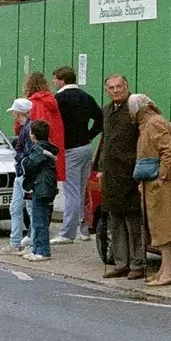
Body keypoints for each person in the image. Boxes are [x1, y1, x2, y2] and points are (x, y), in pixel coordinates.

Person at [129, 93, 171, 287]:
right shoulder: (148, 124)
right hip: (154, 183)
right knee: (157, 225)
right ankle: (165, 268)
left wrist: (161, 176)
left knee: (163, 226)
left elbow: (169, 151)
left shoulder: (154, 123)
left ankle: (169, 271)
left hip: (162, 185)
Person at [96, 74, 144, 279]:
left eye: (119, 87)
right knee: (114, 222)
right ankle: (121, 263)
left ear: (127, 86)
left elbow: (143, 139)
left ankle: (137, 264)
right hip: (111, 174)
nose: (115, 91)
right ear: (107, 90)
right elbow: (105, 140)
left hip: (131, 172)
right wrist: (100, 167)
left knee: (133, 222)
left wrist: (139, 166)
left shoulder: (135, 108)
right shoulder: (107, 111)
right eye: (111, 88)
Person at [52, 66, 103, 245]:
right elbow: (100, 118)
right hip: (86, 147)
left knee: (71, 191)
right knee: (82, 189)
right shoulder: (86, 97)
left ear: (62, 80)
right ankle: (83, 229)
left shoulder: (58, 99)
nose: (54, 83)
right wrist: (90, 135)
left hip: (70, 149)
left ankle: (67, 233)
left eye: (55, 80)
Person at [0, 98, 34, 257]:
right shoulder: (27, 128)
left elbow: (27, 152)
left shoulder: (26, 130)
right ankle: (21, 241)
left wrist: (21, 162)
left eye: (15, 112)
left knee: (23, 208)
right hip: (23, 174)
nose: (14, 115)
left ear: (19, 113)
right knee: (20, 207)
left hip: (24, 174)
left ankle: (20, 242)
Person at [21, 120, 60, 262]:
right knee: (39, 219)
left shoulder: (38, 149)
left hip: (41, 186)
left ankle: (43, 250)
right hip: (46, 186)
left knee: (39, 220)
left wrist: (24, 161)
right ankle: (37, 249)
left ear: (33, 134)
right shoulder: (47, 147)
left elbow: (32, 164)